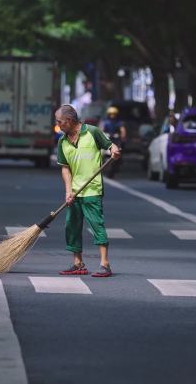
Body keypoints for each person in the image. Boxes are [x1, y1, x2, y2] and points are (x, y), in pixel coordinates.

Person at [55, 104, 122, 278]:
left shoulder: (92, 132)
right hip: (75, 192)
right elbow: (65, 169)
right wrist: (68, 191)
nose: (58, 125)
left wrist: (113, 149)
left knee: (96, 225)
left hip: (92, 189)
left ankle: (105, 264)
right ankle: (78, 264)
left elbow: (109, 145)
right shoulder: (62, 141)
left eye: (59, 121)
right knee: (72, 226)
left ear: (69, 121)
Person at [100, 106, 127, 178]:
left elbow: (123, 131)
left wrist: (123, 138)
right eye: (111, 114)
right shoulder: (105, 121)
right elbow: (101, 130)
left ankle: (118, 163)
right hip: (107, 139)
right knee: (100, 153)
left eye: (114, 114)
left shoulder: (119, 122)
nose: (112, 115)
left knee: (120, 152)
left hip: (116, 140)